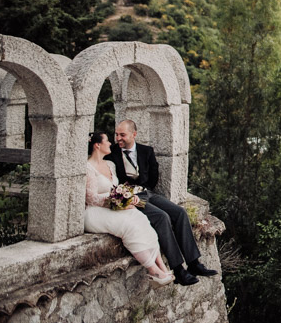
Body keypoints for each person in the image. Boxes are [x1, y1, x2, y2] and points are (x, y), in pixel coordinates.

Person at [106, 119, 217, 286]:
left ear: (134, 134)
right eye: (116, 134)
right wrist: (128, 195)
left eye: (122, 135)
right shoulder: (111, 153)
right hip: (129, 198)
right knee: (161, 217)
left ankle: (194, 263)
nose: (118, 138)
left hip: (147, 192)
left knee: (179, 212)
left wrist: (144, 190)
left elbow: (153, 176)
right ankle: (178, 270)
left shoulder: (146, 151)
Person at [85, 132, 173, 286]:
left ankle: (162, 267)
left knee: (141, 218)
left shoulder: (110, 164)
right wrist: (117, 200)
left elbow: (118, 188)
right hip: (94, 211)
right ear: (97, 145)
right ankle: (153, 270)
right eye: (107, 141)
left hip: (113, 206)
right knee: (129, 225)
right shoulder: (88, 167)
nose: (110, 143)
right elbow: (91, 197)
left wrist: (130, 197)